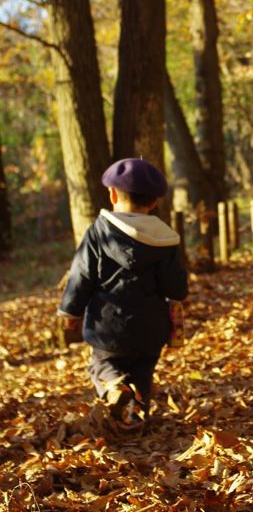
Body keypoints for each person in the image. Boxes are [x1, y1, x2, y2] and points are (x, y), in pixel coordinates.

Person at [58, 157, 188, 427]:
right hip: (152, 328)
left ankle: (115, 388)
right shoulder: (166, 239)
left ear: (113, 194)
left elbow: (81, 275)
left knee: (103, 367)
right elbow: (176, 288)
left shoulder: (98, 233)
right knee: (142, 372)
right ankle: (136, 420)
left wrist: (70, 310)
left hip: (108, 326)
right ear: (154, 202)